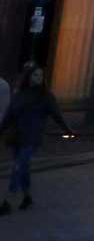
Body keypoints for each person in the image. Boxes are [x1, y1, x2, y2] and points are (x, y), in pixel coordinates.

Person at [1, 65, 69, 215]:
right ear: (28, 77)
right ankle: (27, 197)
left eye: (40, 76)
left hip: (32, 137)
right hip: (17, 137)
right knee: (23, 168)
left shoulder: (45, 96)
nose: (38, 78)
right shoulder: (19, 94)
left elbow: (56, 114)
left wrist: (67, 131)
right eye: (35, 75)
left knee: (18, 167)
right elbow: (9, 115)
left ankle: (7, 201)